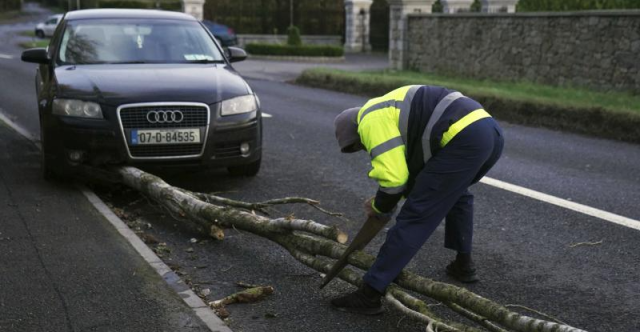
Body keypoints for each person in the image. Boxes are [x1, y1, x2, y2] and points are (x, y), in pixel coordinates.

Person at [331, 85, 504, 315]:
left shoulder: (370, 119)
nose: (363, 148)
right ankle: (463, 265)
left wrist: (379, 207)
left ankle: (370, 294)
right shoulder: (390, 109)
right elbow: (414, 177)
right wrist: (389, 198)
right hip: (489, 130)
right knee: (457, 195)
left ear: (356, 130)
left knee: (416, 214)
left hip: (463, 137)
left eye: (359, 144)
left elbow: (394, 180)